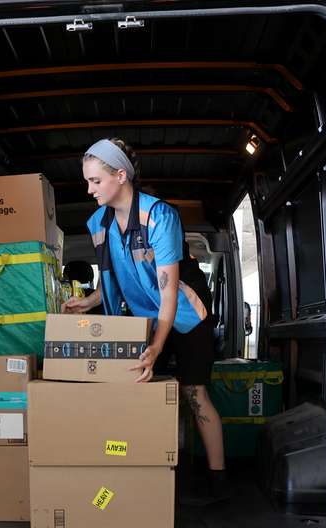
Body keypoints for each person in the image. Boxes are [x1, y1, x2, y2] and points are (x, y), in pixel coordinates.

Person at [64, 138, 228, 503]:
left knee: (194, 393)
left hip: (186, 315)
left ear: (121, 176)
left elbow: (167, 293)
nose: (89, 190)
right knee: (134, 389)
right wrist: (89, 301)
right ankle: (135, 472)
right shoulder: (99, 222)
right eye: (87, 181)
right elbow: (119, 275)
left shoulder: (159, 217)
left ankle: (218, 483)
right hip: (146, 317)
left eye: (95, 181)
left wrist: (155, 347)